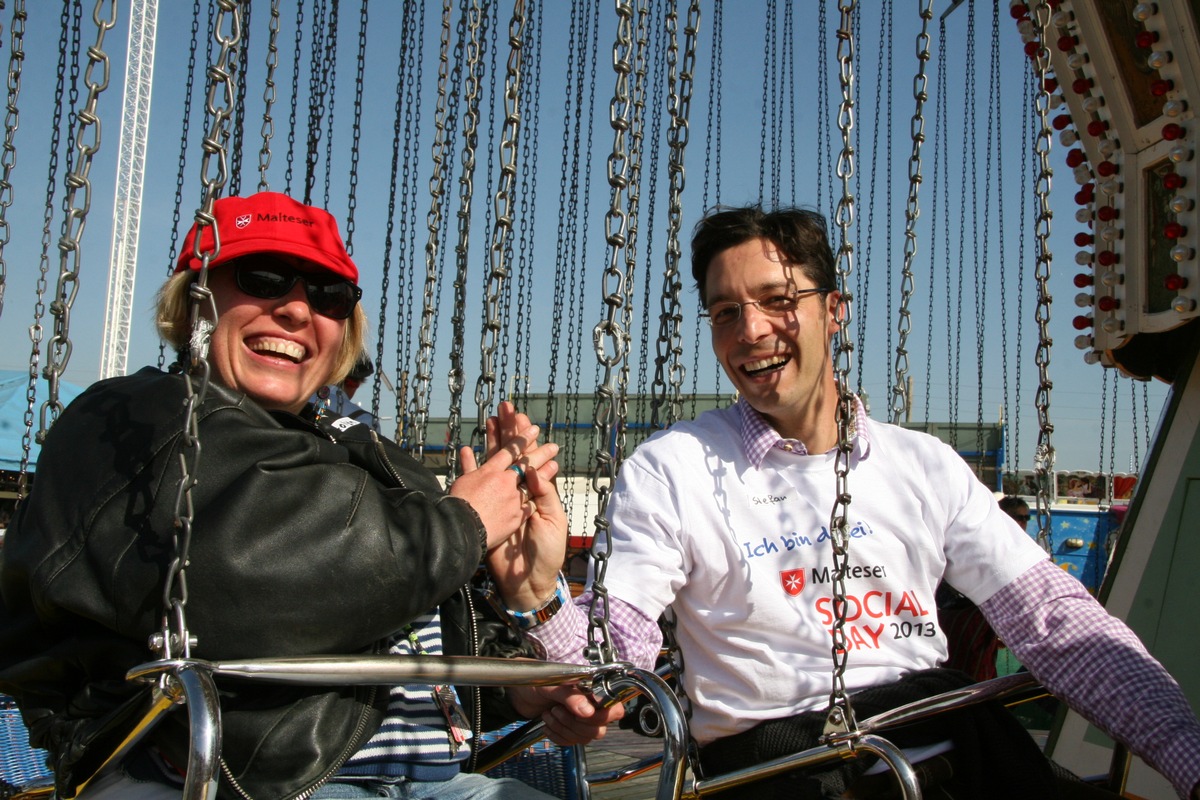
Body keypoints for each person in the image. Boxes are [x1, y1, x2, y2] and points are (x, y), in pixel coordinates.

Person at [502, 206, 1200, 799]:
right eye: (725, 312)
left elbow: (1052, 619)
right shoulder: (673, 468)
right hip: (786, 769)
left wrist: (1185, 753)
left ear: (832, 311)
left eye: (778, 301)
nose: (750, 331)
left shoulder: (923, 464)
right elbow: (616, 654)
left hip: (944, 738)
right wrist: (543, 601)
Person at [0, 192, 619, 800]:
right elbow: (264, 582)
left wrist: (521, 671)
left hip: (439, 781)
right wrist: (463, 525)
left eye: (328, 295)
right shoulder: (136, 421)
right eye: (263, 277)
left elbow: (407, 631)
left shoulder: (367, 449)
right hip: (243, 783)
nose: (297, 310)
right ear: (195, 303)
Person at [936, 496, 1029, 682]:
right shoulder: (983, 543)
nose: (1023, 523)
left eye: (1026, 518)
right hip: (962, 619)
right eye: (1019, 517)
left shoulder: (1018, 548)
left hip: (979, 622)